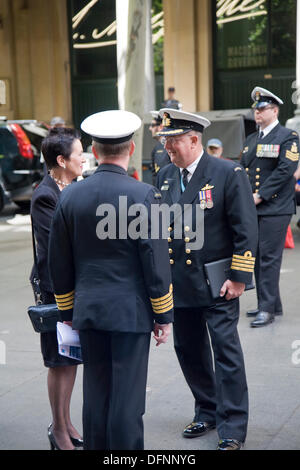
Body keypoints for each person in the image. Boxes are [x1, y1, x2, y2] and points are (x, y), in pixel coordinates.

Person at [48, 110, 174, 450]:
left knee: (97, 394)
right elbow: (156, 261)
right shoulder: (146, 195)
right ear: (131, 148)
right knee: (128, 402)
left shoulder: (70, 196)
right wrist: (163, 315)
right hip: (130, 314)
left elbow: (58, 261)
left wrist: (68, 310)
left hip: (88, 312)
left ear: (94, 149)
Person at [156, 108, 258, 451]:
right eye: (166, 142)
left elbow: (246, 229)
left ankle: (233, 424)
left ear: (194, 140)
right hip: (179, 281)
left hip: (217, 281)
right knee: (188, 349)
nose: (168, 149)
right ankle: (207, 408)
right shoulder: (166, 175)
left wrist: (240, 277)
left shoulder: (228, 172)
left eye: (173, 142)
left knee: (225, 352)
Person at [30, 127, 86, 450]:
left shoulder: (73, 186)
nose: (84, 158)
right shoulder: (45, 196)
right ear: (62, 160)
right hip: (56, 290)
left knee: (71, 359)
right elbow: (58, 247)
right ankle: (58, 430)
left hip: (75, 287)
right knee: (57, 361)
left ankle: (66, 423)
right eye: (79, 154)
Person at [240, 87, 300, 327]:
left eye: (262, 108)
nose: (257, 112)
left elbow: (285, 171)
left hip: (275, 206)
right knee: (256, 257)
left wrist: (261, 195)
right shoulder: (252, 139)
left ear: (274, 111)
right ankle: (271, 304)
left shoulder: (288, 136)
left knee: (268, 258)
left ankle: (267, 308)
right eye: (256, 109)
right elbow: (243, 169)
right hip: (254, 205)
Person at [149, 111, 170, 185]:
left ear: (161, 127)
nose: (150, 128)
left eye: (152, 125)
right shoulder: (156, 148)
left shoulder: (170, 145)